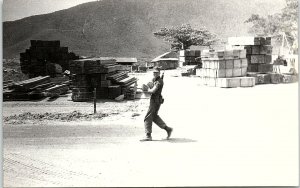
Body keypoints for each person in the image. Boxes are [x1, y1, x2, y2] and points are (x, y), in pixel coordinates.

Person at [140, 66, 173, 141]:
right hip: (155, 100)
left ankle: (148, 135)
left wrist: (147, 90)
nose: (154, 74)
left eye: (156, 72)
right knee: (154, 116)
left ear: (159, 73)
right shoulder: (155, 79)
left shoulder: (159, 81)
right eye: (154, 72)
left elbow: (153, 91)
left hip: (155, 101)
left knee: (148, 117)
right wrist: (147, 86)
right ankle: (168, 129)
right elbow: (150, 84)